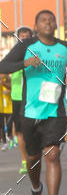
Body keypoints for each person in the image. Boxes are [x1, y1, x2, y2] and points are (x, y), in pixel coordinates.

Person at [0, 9, 67, 195]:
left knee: (52, 154)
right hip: (30, 111)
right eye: (44, 20)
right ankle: (36, 188)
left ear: (56, 25)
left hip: (56, 110)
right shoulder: (26, 46)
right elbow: (3, 66)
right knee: (33, 158)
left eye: (52, 20)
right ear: (36, 26)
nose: (49, 23)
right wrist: (23, 64)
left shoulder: (65, 48)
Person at [10, 25, 33, 174]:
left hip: (33, 97)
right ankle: (25, 161)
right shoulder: (12, 56)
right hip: (18, 97)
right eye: (21, 36)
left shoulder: (38, 53)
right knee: (20, 131)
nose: (24, 38)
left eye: (27, 36)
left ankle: (34, 156)